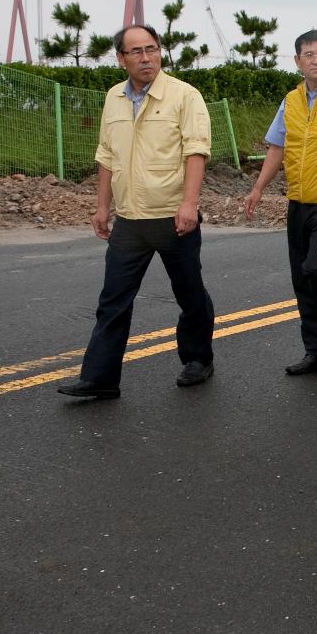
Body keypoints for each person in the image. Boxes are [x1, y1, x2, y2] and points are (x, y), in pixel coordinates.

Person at [57, 25, 215, 399]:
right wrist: (102, 206)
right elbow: (106, 156)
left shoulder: (184, 96)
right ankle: (100, 377)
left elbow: (196, 151)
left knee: (189, 293)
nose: (146, 58)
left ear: (160, 52)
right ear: (121, 58)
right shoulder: (114, 98)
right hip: (129, 219)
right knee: (112, 299)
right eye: (137, 52)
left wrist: (189, 204)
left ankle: (198, 359)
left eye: (152, 49)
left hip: (172, 216)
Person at [244, 30, 317, 377]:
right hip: (297, 202)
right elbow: (277, 148)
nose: (316, 60)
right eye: (308, 55)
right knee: (301, 278)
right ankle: (315, 348)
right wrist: (258, 187)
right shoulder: (290, 101)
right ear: (297, 61)